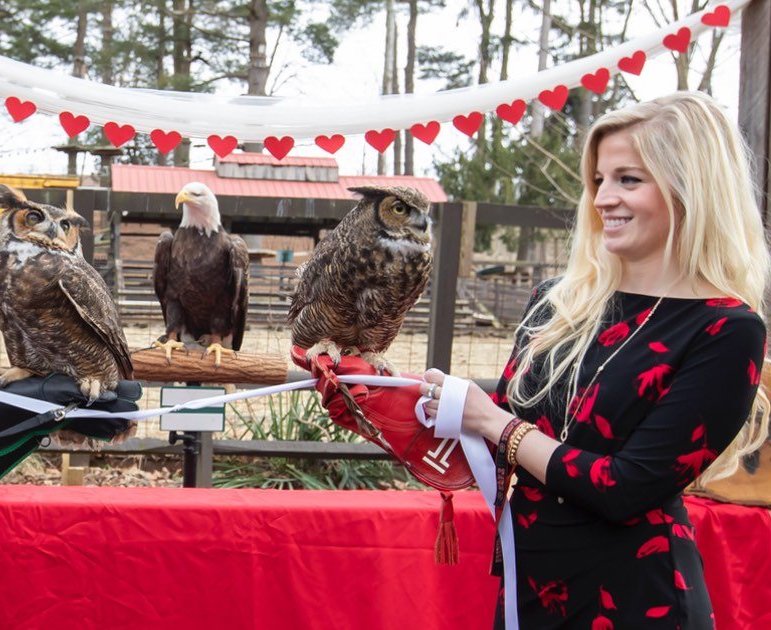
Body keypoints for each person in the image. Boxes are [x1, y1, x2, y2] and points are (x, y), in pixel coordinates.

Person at [315, 91, 770, 628]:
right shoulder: (557, 301)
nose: (603, 199)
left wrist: (492, 419)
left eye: (629, 179)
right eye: (599, 180)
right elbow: (502, 442)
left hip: (636, 601)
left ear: (691, 188)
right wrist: (388, 405)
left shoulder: (726, 329)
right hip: (529, 590)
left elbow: (623, 489)